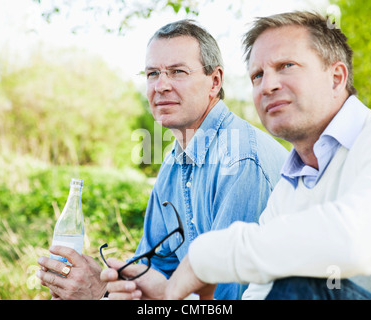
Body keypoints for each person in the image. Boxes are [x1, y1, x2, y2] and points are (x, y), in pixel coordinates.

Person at [37, 19, 288, 300]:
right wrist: (111, 290)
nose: (161, 85)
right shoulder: (172, 162)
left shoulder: (240, 161)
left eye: (177, 72)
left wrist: (99, 292)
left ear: (214, 82)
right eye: (152, 73)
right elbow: (153, 272)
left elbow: (227, 301)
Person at [164, 11, 371, 300]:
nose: (268, 85)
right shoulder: (286, 191)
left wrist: (204, 257)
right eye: (258, 75)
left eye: (287, 65)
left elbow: (357, 242)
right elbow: (261, 294)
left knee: (299, 282)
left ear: (336, 78)